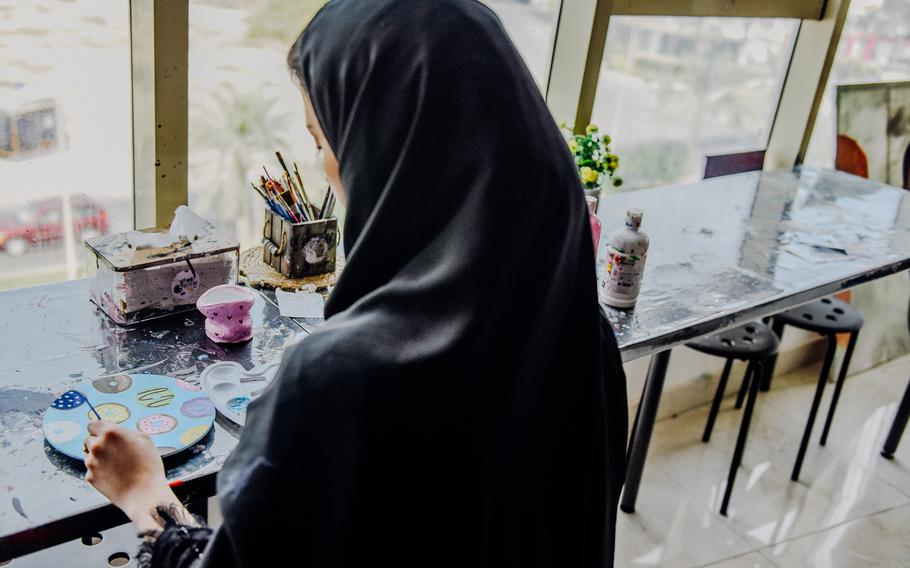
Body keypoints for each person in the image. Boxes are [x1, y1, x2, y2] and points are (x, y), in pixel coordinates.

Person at [82, 0, 628, 566]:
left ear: (392, 152)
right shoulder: (585, 339)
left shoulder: (335, 390)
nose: (326, 166)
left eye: (324, 141)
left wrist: (144, 491)